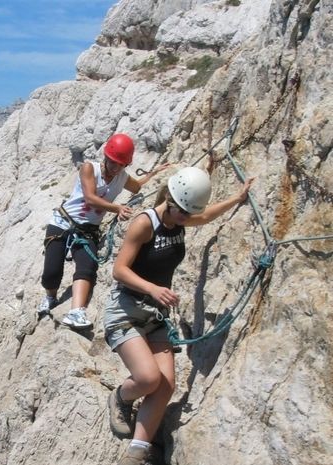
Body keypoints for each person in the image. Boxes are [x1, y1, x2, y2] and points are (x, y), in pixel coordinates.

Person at [103, 166, 254, 464]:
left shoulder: (180, 218)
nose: (187, 219)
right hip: (126, 309)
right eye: (183, 212)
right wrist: (154, 289)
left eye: (188, 214)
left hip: (154, 314)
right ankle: (121, 397)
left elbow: (206, 215)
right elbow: (118, 270)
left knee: (166, 384)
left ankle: (136, 452)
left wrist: (237, 198)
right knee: (148, 378)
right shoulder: (145, 223)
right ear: (170, 199)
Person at [38, 133, 168, 329]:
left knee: (87, 267)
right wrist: (117, 208)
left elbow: (138, 186)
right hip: (63, 223)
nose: (115, 167)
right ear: (106, 157)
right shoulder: (89, 168)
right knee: (52, 272)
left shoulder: (121, 177)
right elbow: (90, 197)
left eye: (120, 164)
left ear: (125, 165)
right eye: (112, 162)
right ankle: (50, 296)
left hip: (87, 230)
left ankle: (76, 312)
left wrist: (155, 173)